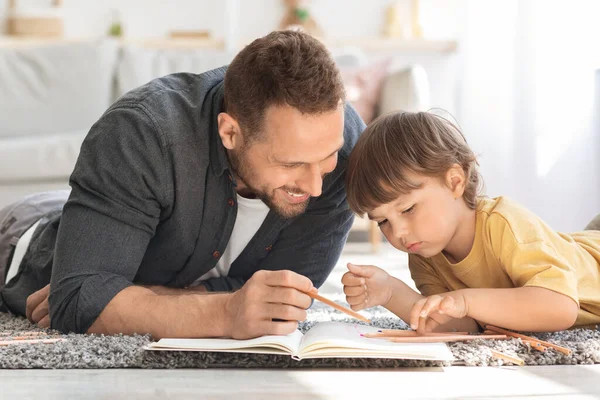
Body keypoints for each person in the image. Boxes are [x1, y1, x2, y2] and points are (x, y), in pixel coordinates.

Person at [0, 30, 366, 339]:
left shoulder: (346, 152)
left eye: (326, 158)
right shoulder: (142, 133)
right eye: (291, 164)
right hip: (23, 239)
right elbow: (79, 300)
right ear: (230, 132)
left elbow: (283, 300)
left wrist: (125, 297)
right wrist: (225, 313)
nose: (316, 185)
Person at [342, 111, 600, 333]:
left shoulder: (503, 222)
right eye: (383, 221)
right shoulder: (424, 253)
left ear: (455, 181)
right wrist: (390, 292)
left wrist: (466, 300)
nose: (398, 232)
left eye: (408, 209)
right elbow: (461, 324)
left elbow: (561, 307)